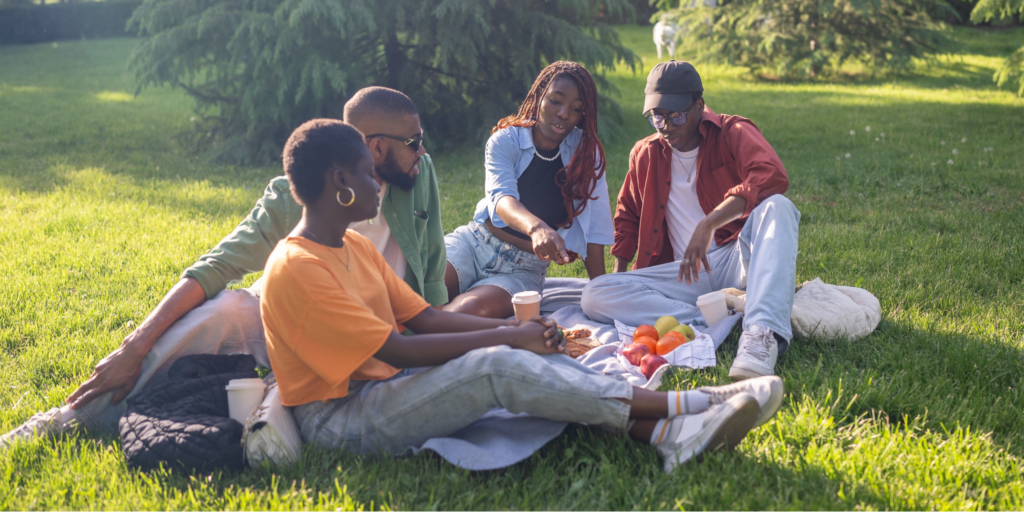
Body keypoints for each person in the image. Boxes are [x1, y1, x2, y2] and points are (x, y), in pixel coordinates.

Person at [261, 118, 785, 473]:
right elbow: (394, 349)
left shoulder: (351, 245)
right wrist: (510, 336)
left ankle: (668, 436)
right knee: (493, 367)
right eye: (367, 173)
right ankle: (692, 405)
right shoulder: (298, 267)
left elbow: (424, 319)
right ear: (339, 181)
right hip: (341, 419)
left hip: (387, 385)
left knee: (510, 354)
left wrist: (518, 334)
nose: (378, 184)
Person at [1, 87, 447, 448]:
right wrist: (134, 346)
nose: (423, 152)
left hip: (381, 339)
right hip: (300, 330)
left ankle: (274, 405)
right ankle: (67, 421)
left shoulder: (418, 178)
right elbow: (214, 268)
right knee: (228, 310)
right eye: (414, 143)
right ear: (377, 147)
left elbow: (429, 275)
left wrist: (439, 338)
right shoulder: (295, 197)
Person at [580, 61, 800, 381]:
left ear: (699, 106)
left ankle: (759, 335)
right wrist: (621, 281)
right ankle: (715, 317)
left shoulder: (732, 131)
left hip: (734, 258)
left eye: (676, 115)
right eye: (657, 116)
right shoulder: (645, 152)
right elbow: (627, 214)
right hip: (684, 276)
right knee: (594, 294)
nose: (665, 126)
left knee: (779, 207)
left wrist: (709, 223)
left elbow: (771, 175)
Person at [443, 61, 613, 319]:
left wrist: (601, 294)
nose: (565, 113)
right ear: (539, 96)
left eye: (576, 108)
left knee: (464, 312)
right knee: (418, 291)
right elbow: (502, 200)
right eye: (556, 101)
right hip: (475, 243)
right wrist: (537, 228)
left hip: (523, 271)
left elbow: (595, 232)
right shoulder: (505, 140)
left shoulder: (586, 156)